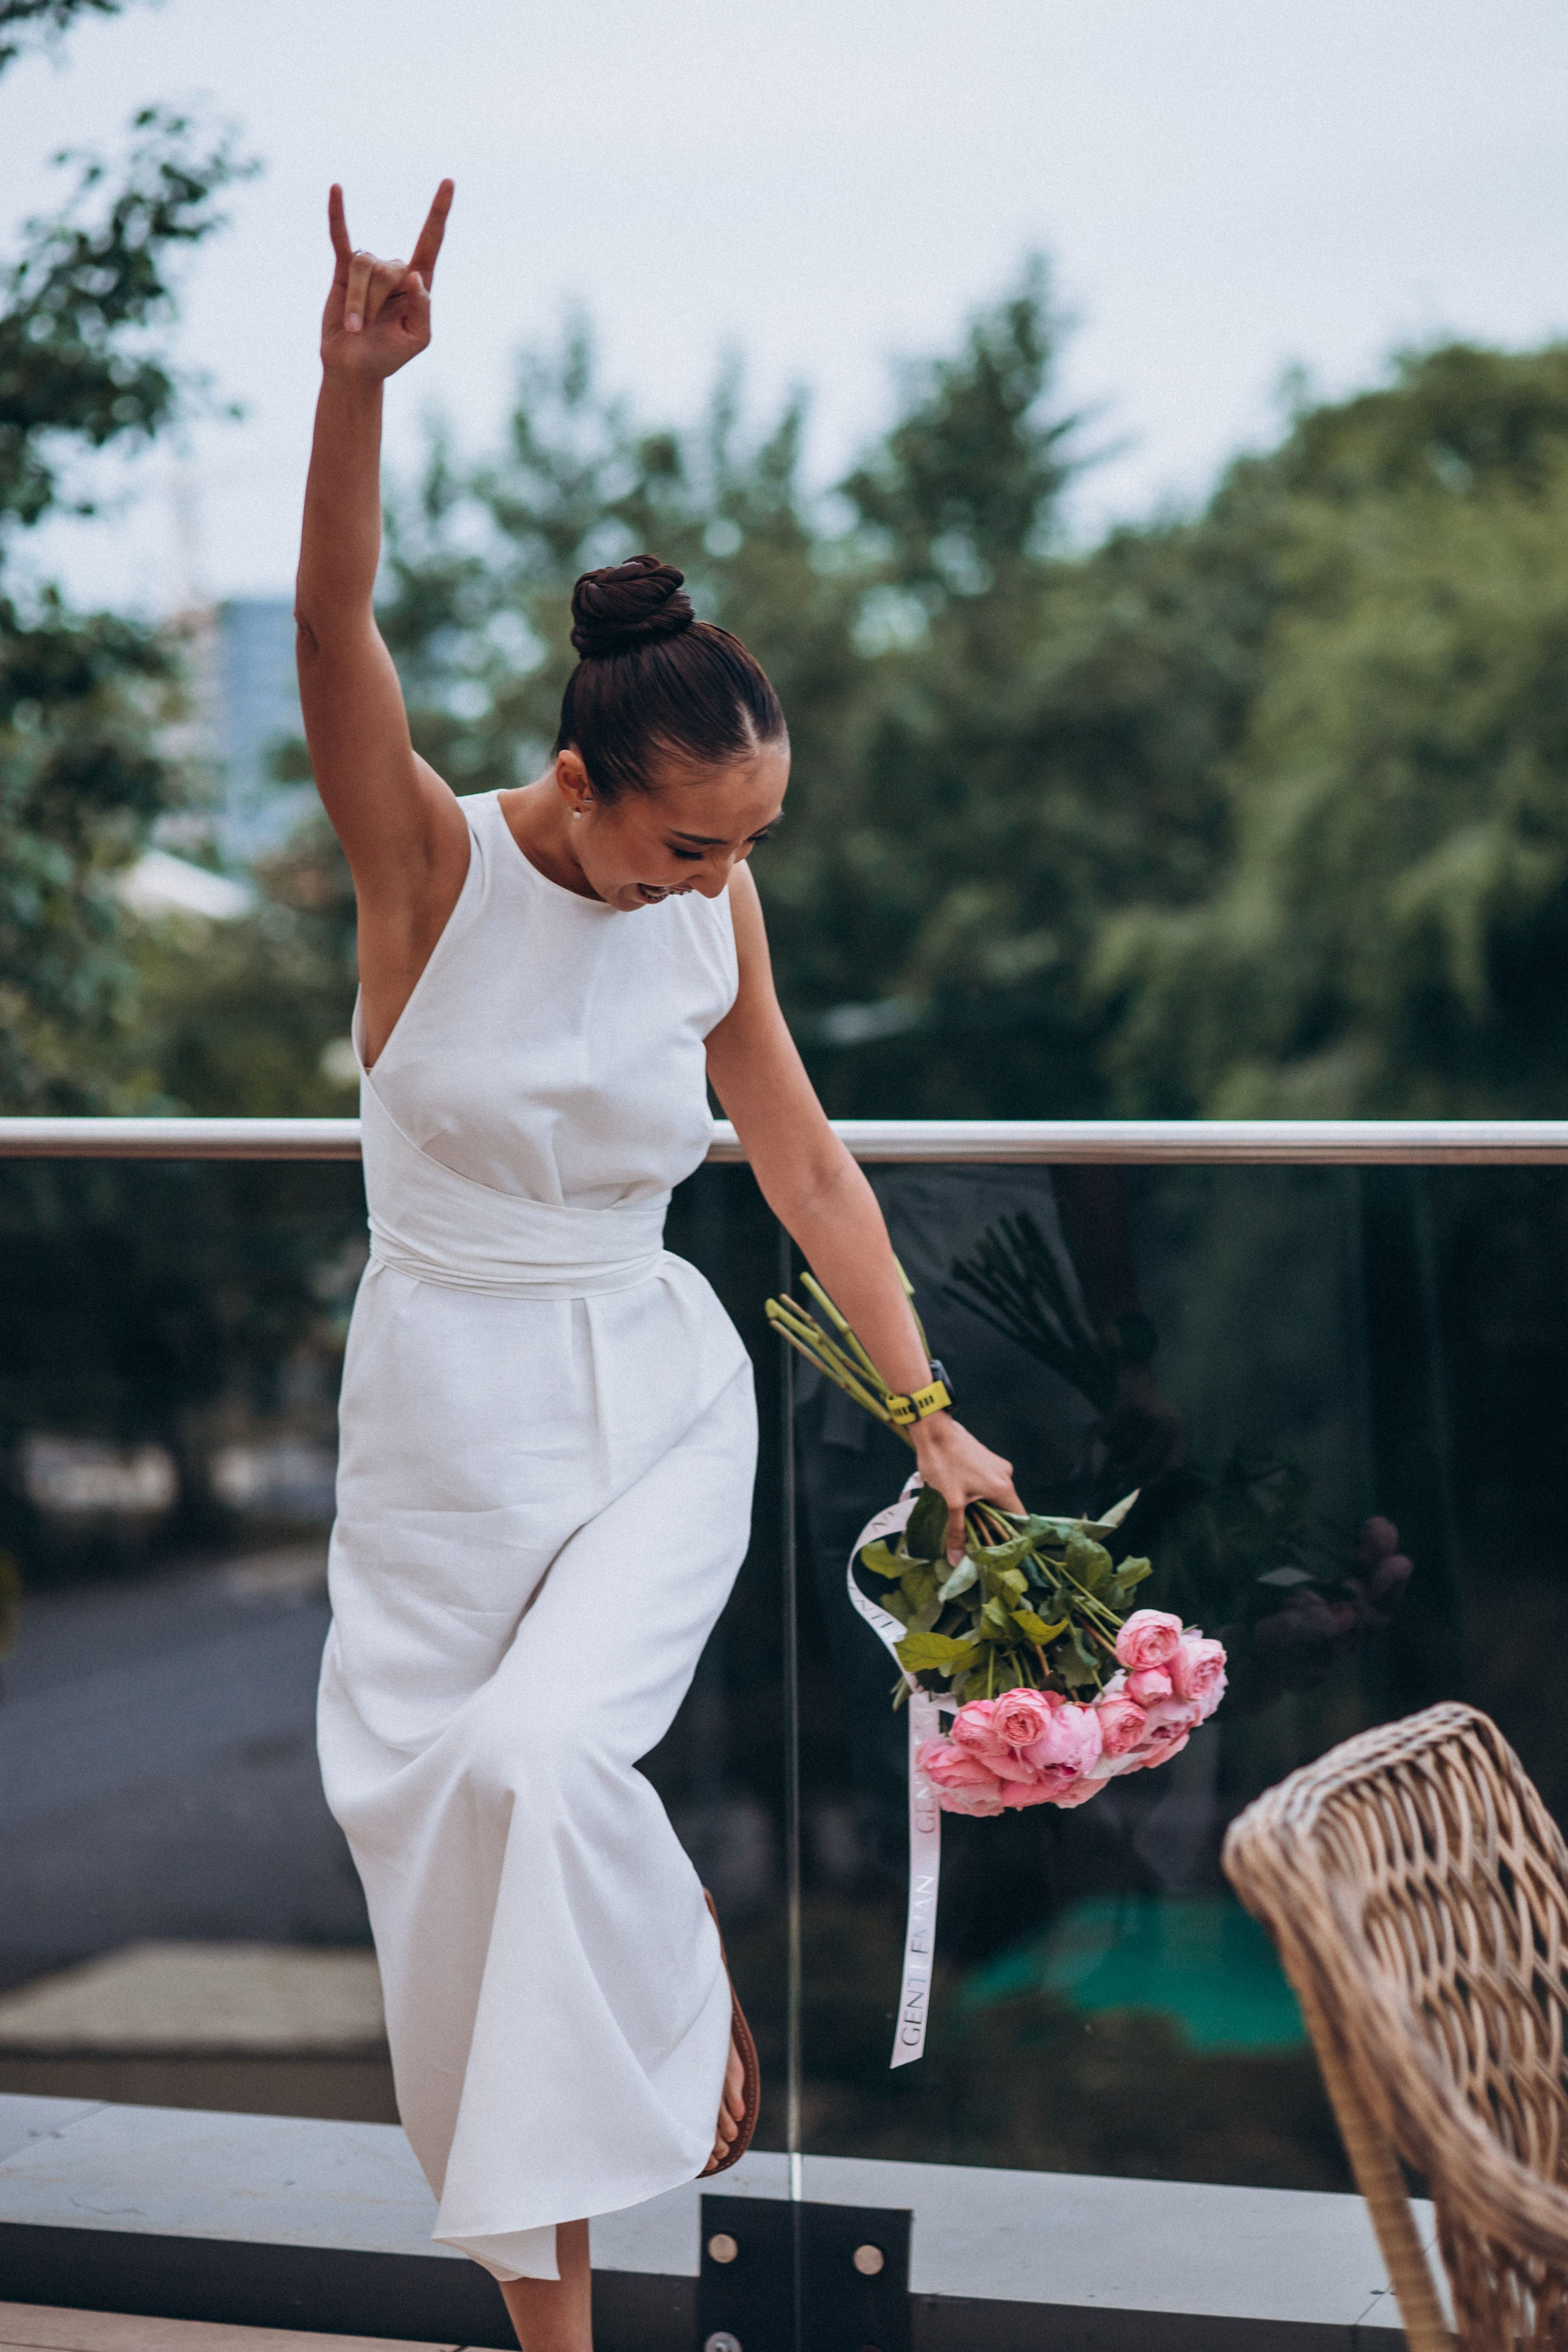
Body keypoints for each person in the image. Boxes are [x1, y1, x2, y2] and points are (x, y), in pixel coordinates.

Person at [296, 180, 1020, 2352]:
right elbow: (335, 643)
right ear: (581, 779)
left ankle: (681, 1988)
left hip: (648, 1397)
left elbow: (798, 1160)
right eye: (692, 840)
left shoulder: (715, 908)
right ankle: (562, 2334)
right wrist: (353, 396)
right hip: (439, 1412)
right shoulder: (431, 869)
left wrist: (930, 1414)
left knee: (535, 1782)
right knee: (443, 1865)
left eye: (751, 847)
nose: (720, 879)